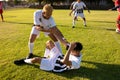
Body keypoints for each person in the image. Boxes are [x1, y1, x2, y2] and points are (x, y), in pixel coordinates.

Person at [14, 40, 83, 72]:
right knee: (49, 42)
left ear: (77, 51)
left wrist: (70, 49)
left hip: (55, 65)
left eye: (71, 49)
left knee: (35, 59)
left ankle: (24, 61)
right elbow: (66, 45)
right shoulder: (77, 53)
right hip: (59, 57)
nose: (69, 49)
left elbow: (65, 62)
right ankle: (46, 57)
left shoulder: (76, 63)